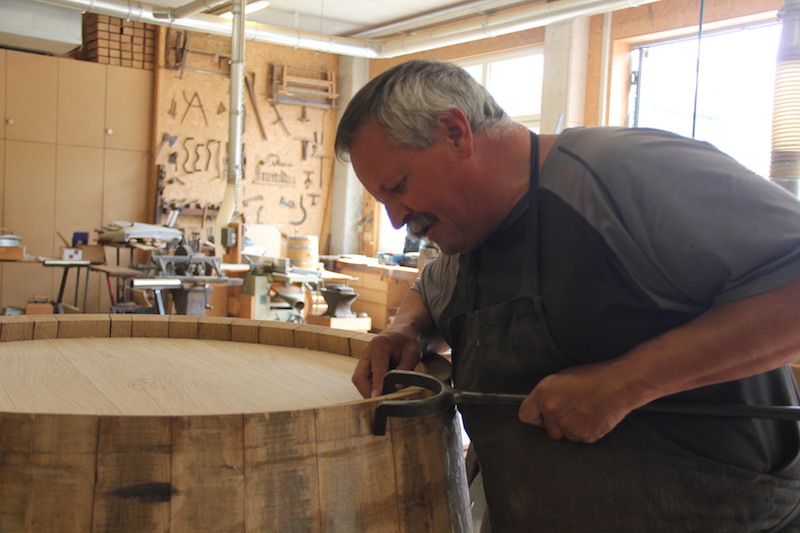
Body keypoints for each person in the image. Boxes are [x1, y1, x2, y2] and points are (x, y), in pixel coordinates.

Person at [334, 59, 800, 532]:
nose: (396, 218)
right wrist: (404, 330)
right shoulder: (469, 235)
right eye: (383, 200)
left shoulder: (625, 172)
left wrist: (628, 381)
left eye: (399, 187)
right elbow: (430, 291)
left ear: (455, 132)